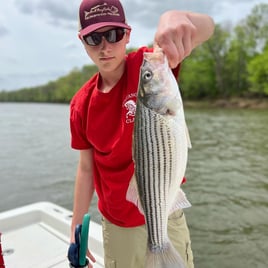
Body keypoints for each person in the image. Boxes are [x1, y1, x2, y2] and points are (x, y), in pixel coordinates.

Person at [69, 0, 214, 267]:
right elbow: (86, 169)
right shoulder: (81, 104)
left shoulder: (149, 66)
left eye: (113, 35)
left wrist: (176, 16)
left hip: (166, 212)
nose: (105, 46)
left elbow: (206, 28)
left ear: (127, 35)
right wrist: (76, 225)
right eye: (93, 38)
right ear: (82, 41)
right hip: (118, 223)